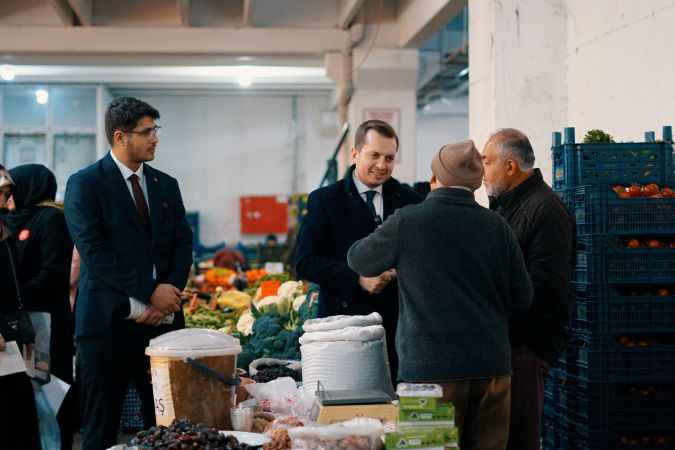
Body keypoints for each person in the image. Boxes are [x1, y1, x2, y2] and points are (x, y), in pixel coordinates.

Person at [347, 141, 533, 450]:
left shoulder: (408, 221)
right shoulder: (497, 226)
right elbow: (522, 298)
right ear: (475, 183)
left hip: (428, 373)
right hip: (492, 369)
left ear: (435, 177)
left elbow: (359, 259)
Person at [64, 97, 193, 450]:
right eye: (147, 131)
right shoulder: (85, 184)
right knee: (100, 429)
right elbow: (94, 252)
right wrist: (150, 291)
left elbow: (183, 243)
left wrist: (168, 295)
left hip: (161, 326)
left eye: (156, 130)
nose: (155, 138)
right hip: (106, 325)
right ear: (120, 137)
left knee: (169, 428)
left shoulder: (166, 185)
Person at [294, 119, 421, 383]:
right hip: (343, 328)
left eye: (389, 157)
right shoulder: (325, 200)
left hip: (396, 329)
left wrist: (400, 272)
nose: (382, 165)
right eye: (374, 155)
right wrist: (358, 279)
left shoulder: (409, 200)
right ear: (355, 153)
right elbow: (305, 261)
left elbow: (422, 256)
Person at [482, 129, 576, 450]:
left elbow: (546, 291)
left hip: (525, 348)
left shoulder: (546, 211)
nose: (483, 172)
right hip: (506, 347)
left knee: (520, 439)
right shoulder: (506, 206)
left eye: (487, 162)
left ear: (510, 167)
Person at [2, 164, 76, 449]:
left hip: (45, 321)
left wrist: (15, 298)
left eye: (12, 189)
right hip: (20, 322)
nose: (9, 196)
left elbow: (53, 273)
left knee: (50, 387)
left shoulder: (51, 219)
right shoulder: (15, 220)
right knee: (27, 393)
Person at [0, 164, 42, 450]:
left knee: (19, 416)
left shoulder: (4, 230)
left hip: (11, 331)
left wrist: (22, 329)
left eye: (7, 193)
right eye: (1, 194)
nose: (6, 201)